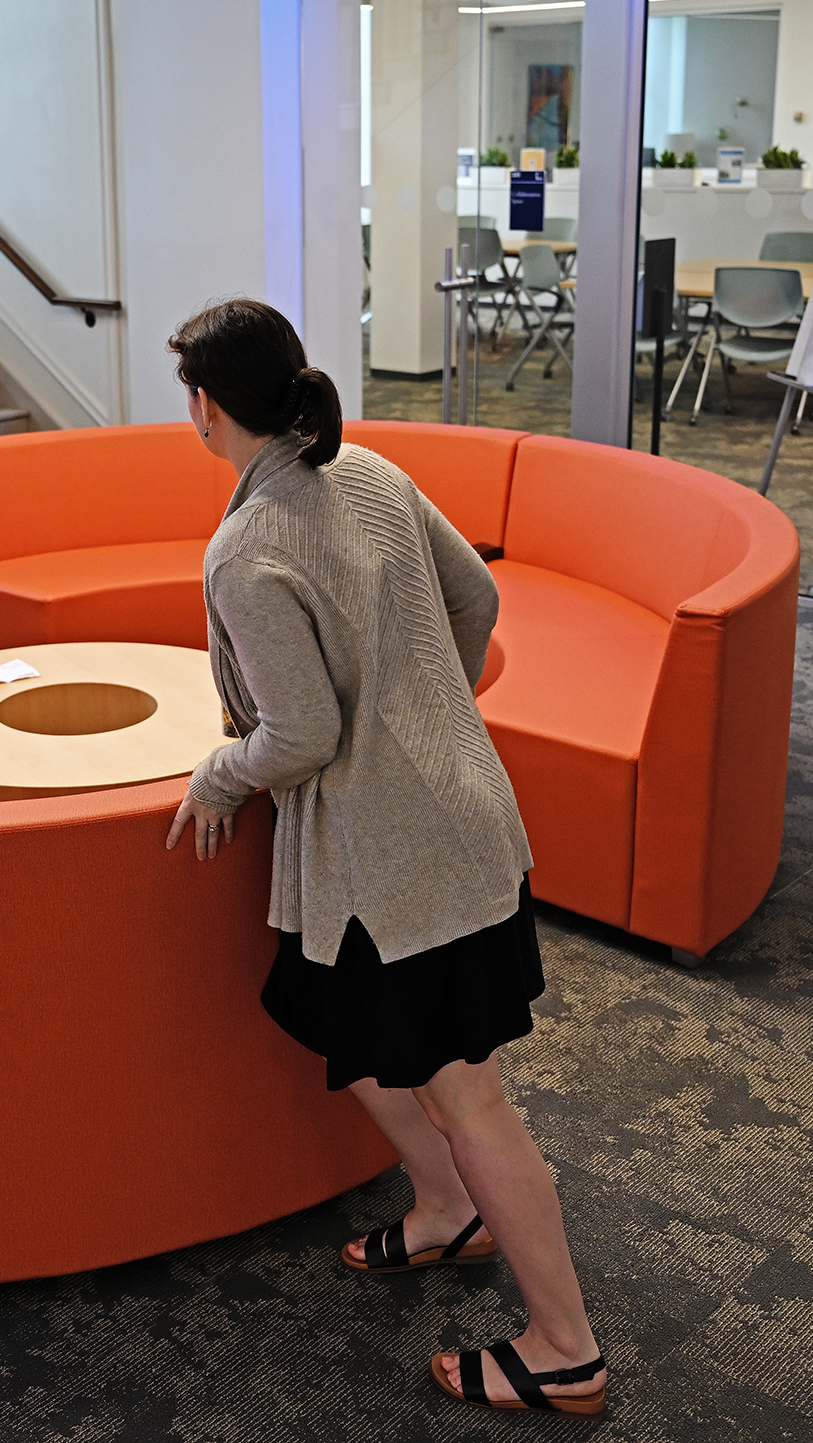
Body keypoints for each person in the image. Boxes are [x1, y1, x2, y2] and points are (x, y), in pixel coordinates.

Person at [163, 299, 607, 1419]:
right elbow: (479, 595)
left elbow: (301, 732)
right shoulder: (368, 474)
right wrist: (424, 705)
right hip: (457, 820)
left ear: (207, 407)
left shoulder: (248, 546)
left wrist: (221, 775)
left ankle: (565, 1345)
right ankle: (444, 1206)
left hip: (403, 863)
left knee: (474, 1094)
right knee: (325, 1008)